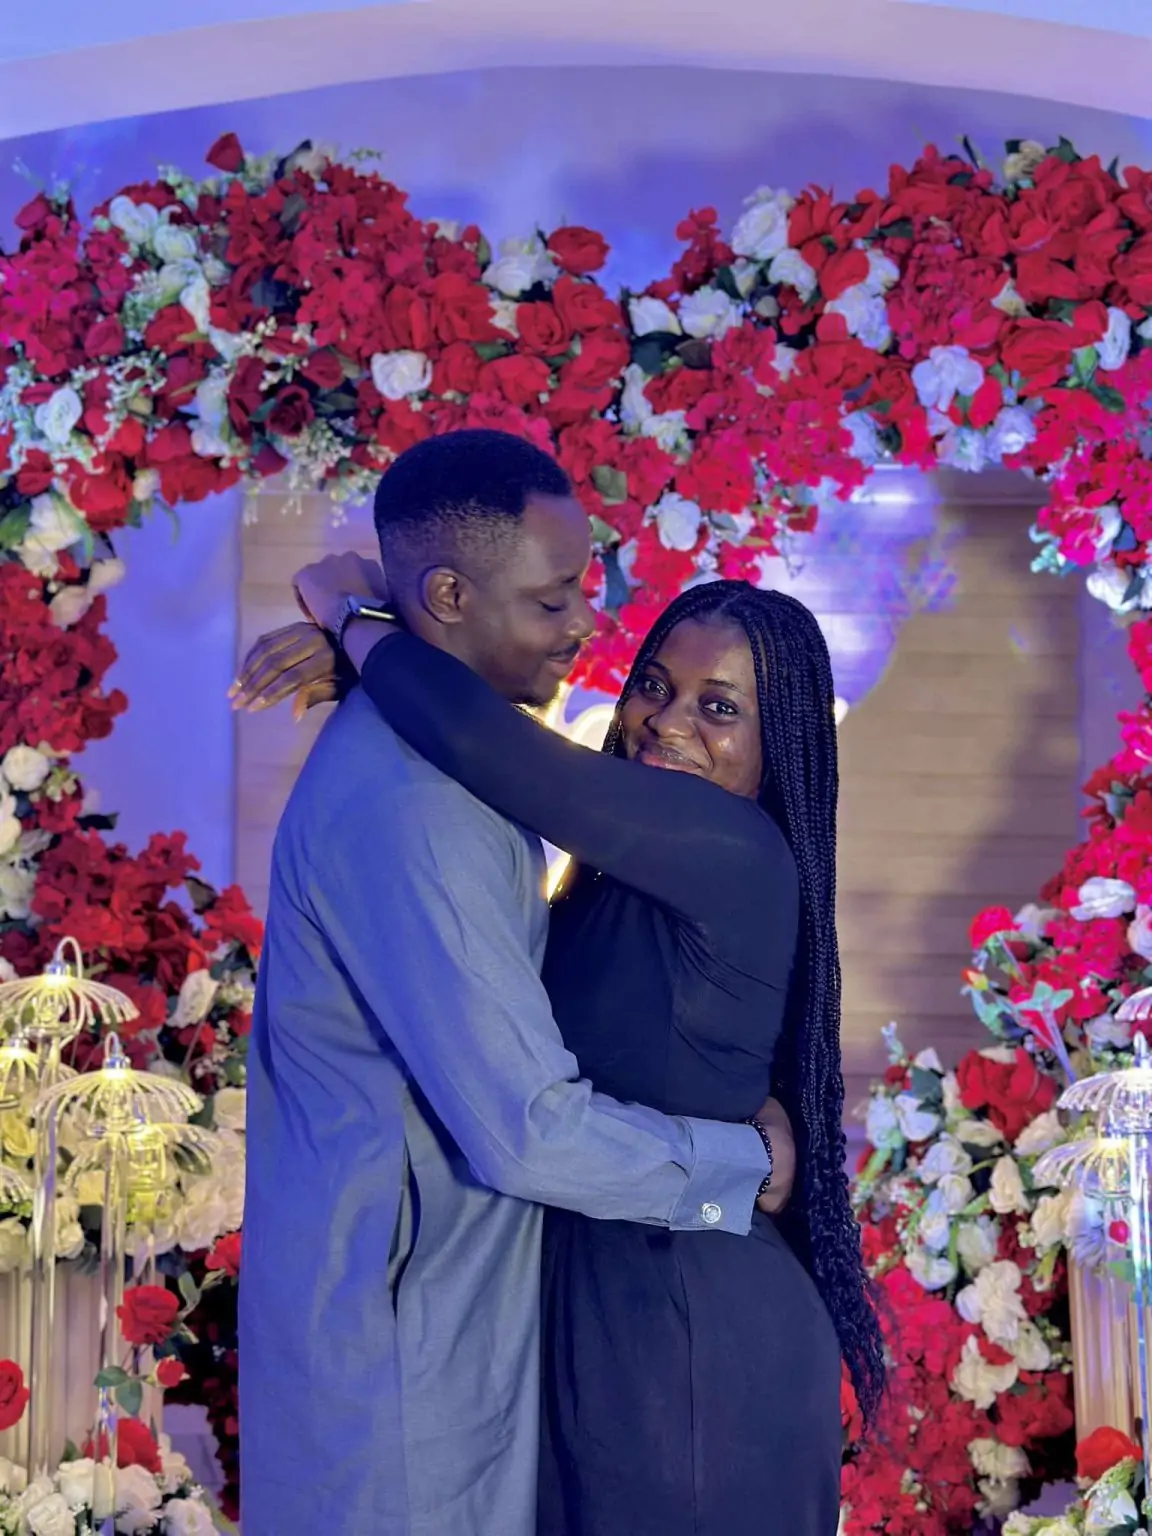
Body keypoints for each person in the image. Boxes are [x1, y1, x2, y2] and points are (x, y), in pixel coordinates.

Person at [236, 454, 885, 1535]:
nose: (667, 722)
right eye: (656, 687)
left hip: (694, 1326)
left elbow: (492, 746)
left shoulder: (727, 847)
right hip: (600, 1316)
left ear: (782, 744)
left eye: (721, 708)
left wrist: (359, 620)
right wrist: (373, 644)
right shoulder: (603, 858)